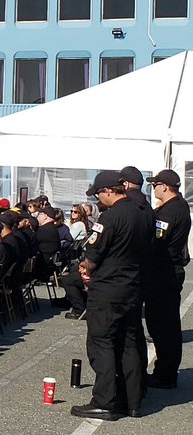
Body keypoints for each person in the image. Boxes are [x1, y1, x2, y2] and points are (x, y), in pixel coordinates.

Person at [72, 171, 152, 420]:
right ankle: (133, 401)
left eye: (98, 195)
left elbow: (93, 254)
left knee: (101, 342)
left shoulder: (110, 217)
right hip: (132, 286)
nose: (98, 200)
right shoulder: (142, 214)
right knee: (129, 343)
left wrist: (86, 271)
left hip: (108, 288)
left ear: (108, 190)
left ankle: (105, 401)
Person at [142, 169, 189, 388]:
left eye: (154, 185)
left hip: (164, 271)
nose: (153, 189)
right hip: (167, 271)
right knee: (164, 324)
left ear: (164, 187)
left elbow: (157, 241)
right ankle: (165, 371)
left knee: (163, 326)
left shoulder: (170, 212)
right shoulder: (177, 206)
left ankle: (165, 373)